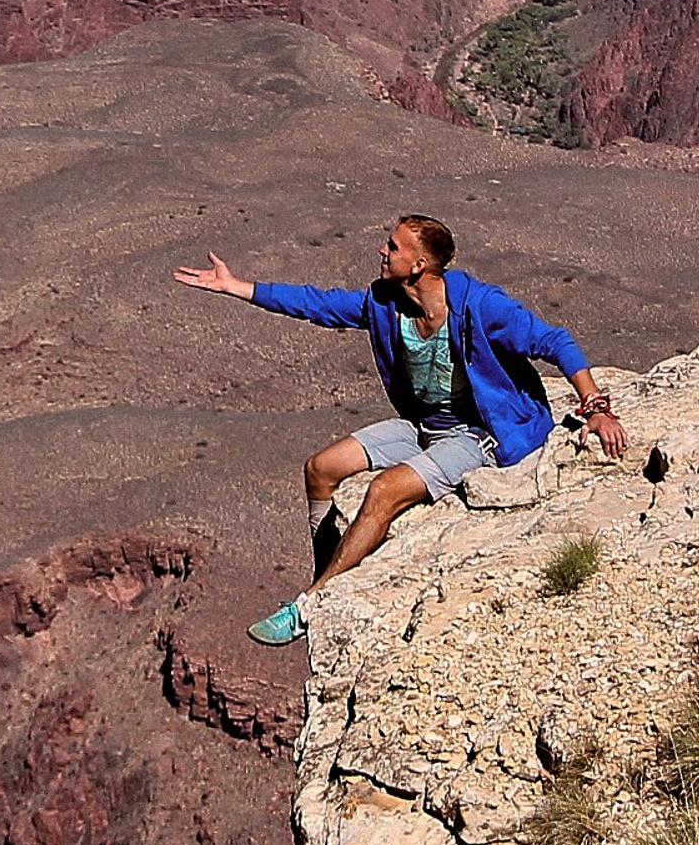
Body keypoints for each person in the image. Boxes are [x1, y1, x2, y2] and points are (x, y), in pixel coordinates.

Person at [177, 213, 625, 647]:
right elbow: (319, 304)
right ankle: (327, 574)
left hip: (478, 435)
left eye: (393, 246)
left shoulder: (480, 306)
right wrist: (237, 287)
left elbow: (555, 341)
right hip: (424, 425)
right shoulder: (386, 304)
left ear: (419, 264)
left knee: (384, 491)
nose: (382, 250)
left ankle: (309, 606)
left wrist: (596, 408)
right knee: (321, 468)